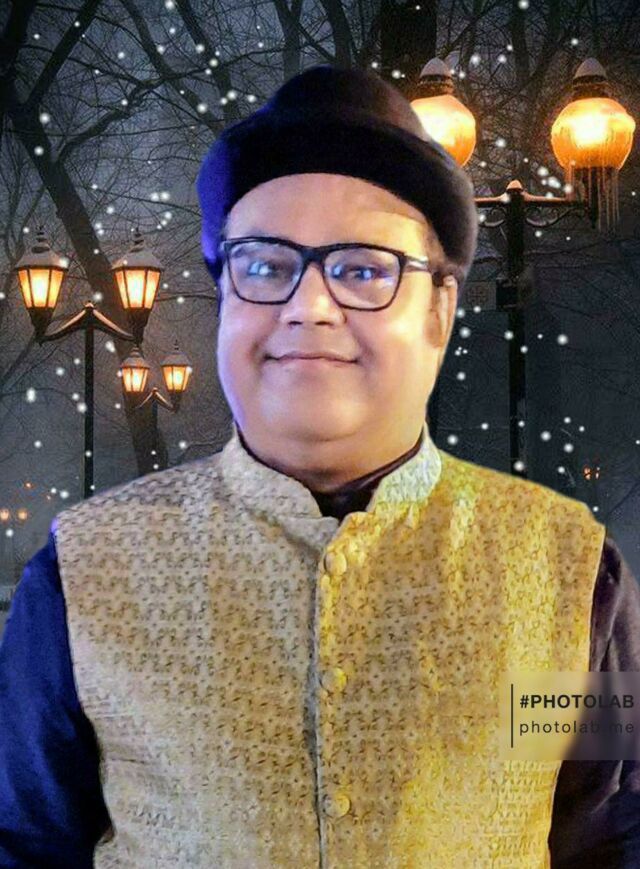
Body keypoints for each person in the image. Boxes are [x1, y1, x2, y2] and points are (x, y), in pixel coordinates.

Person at [1, 63, 640, 868]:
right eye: (266, 266)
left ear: (440, 310)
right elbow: (27, 845)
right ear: (225, 301)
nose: (307, 305)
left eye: (363, 269)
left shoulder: (570, 575)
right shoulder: (82, 575)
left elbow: (609, 835)